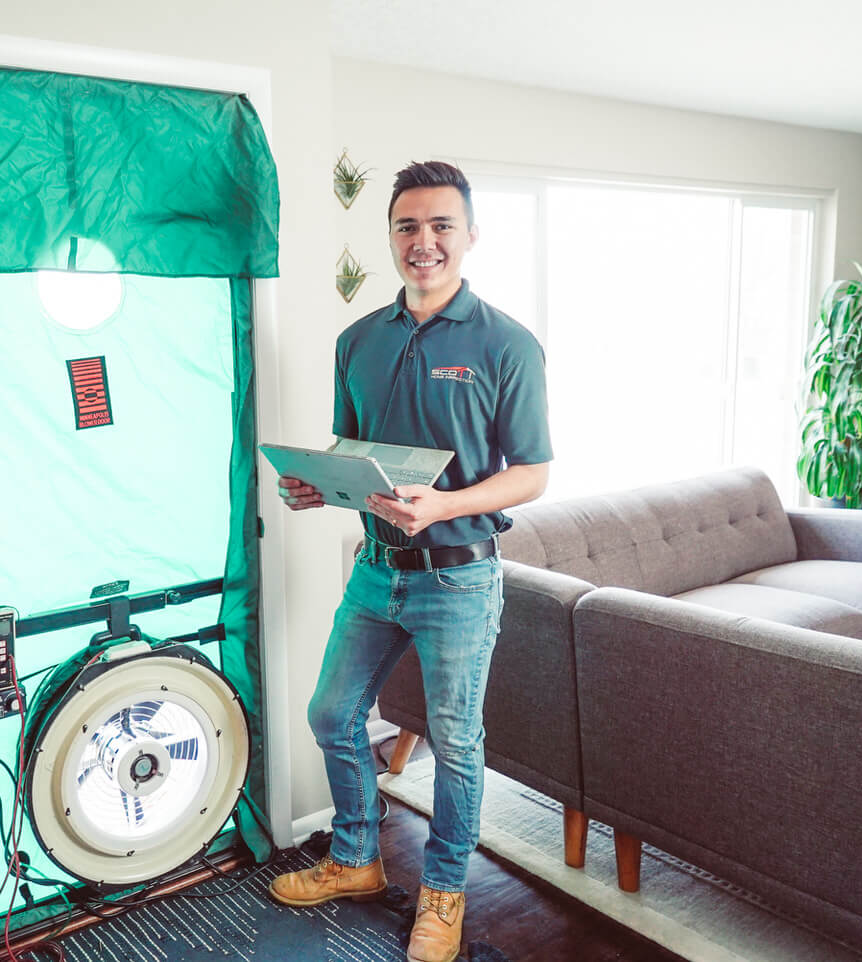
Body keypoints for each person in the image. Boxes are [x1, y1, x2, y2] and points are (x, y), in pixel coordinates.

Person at [267, 161, 552, 962]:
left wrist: (445, 506)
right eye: (407, 226)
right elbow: (356, 453)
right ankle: (356, 858)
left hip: (460, 577)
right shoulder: (358, 340)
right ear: (391, 235)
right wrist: (322, 487)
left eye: (440, 226)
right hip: (375, 571)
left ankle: (444, 893)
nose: (423, 241)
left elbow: (533, 473)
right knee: (332, 714)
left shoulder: (507, 344)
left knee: (455, 743)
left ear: (469, 236)